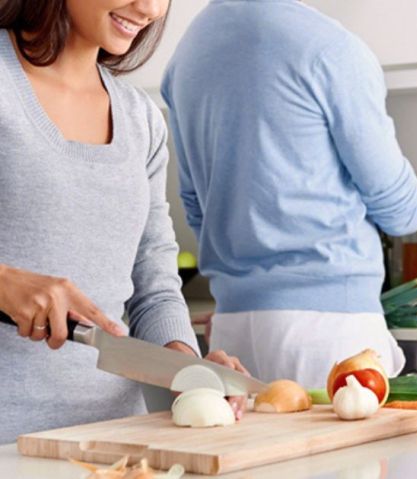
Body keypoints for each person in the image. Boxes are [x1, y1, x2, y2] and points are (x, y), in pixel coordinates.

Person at [162, 0, 417, 388]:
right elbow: (398, 208)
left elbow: (196, 205)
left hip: (232, 332)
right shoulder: (330, 49)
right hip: (330, 333)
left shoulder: (187, 53)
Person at [0, 0, 248, 444]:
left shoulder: (141, 119)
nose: (149, 8)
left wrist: (188, 370)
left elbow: (153, 285)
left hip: (114, 446)